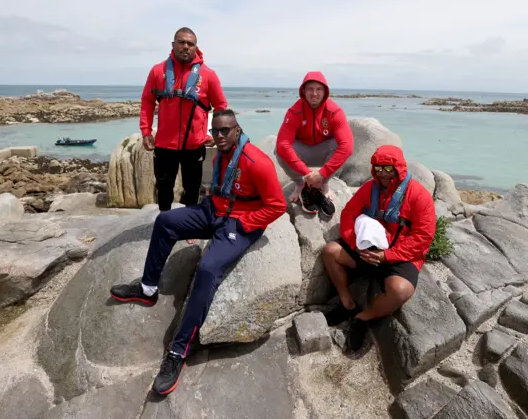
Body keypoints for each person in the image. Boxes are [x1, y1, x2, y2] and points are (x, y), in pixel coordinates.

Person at [109, 109, 286, 395]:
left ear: (238, 131)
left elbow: (276, 205)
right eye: (215, 131)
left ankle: (179, 351)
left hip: (240, 222)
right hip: (214, 211)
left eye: (225, 131)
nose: (219, 136)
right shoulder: (221, 154)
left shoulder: (257, 162)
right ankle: (148, 288)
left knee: (207, 270)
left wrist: (243, 223)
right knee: (165, 221)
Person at [321, 145, 436, 352]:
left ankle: (363, 317)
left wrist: (387, 256)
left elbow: (423, 237)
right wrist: (355, 244)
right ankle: (348, 304)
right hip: (366, 250)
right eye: (378, 168)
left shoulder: (419, 196)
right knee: (330, 251)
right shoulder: (369, 188)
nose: (382, 174)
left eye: (388, 168)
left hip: (400, 255)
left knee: (400, 291)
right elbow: (348, 214)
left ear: (398, 169)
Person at [139, 27, 228, 213]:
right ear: (173, 45)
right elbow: (147, 101)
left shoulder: (208, 75)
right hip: (164, 144)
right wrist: (146, 131)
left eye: (190, 43)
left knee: (192, 188)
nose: (185, 46)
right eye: (181, 42)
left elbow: (221, 107)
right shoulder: (157, 71)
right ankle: (164, 221)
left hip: (194, 145)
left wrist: (216, 133)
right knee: (164, 187)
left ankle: (189, 226)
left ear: (196, 47)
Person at [275, 71, 353, 217]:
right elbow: (282, 144)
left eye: (319, 89)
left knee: (341, 144)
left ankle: (323, 183)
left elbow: (347, 146)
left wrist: (322, 174)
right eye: (310, 89)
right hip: (303, 151)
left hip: (324, 150)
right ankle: (300, 184)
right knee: (279, 150)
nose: (314, 93)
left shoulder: (334, 112)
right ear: (303, 91)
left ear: (325, 92)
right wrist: (307, 174)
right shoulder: (294, 112)